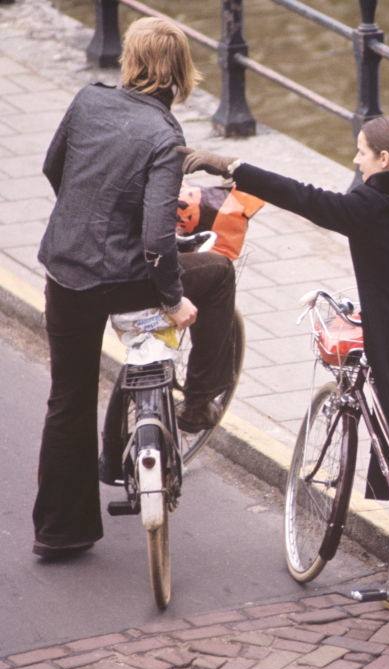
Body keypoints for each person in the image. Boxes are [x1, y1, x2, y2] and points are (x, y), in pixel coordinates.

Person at [181, 115, 389, 612]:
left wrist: (232, 165)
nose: (355, 162)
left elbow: (303, 196)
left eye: (361, 153)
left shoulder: (371, 205)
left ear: (384, 160)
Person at [33, 17, 237, 560]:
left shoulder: (86, 101)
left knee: (67, 398)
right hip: (126, 281)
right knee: (216, 275)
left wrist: (84, 217)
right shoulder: (163, 135)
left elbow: (54, 170)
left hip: (66, 271)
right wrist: (173, 301)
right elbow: (154, 239)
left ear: (129, 60)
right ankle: (197, 403)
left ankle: (60, 531)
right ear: (180, 71)